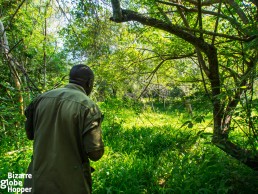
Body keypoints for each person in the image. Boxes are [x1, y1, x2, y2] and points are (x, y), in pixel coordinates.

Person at [23, 64, 104, 194]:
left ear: (70, 78)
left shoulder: (41, 99)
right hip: (71, 185)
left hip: (37, 182)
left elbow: (30, 134)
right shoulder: (88, 107)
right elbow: (95, 154)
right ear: (89, 83)